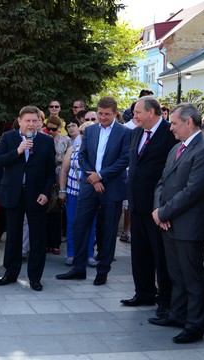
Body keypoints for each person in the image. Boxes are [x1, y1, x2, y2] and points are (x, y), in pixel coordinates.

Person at [149, 103, 204, 344]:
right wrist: (159, 211)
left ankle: (195, 326)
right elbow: (162, 181)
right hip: (169, 222)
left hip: (189, 226)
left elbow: (193, 191)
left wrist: (164, 213)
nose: (171, 128)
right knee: (176, 274)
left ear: (189, 122)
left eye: (174, 123)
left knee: (193, 278)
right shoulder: (176, 148)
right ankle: (177, 315)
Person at [56, 96, 130, 286]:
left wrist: (101, 176)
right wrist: (93, 178)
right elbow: (82, 157)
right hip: (89, 186)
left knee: (107, 230)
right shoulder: (89, 131)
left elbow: (124, 160)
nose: (102, 117)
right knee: (80, 226)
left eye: (106, 114)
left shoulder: (124, 133)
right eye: (100, 113)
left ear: (115, 113)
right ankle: (78, 268)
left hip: (111, 187)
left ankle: (102, 271)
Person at [120, 96, 177, 319]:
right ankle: (144, 292)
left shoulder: (169, 133)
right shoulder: (135, 133)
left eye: (137, 112)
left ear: (152, 112)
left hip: (157, 207)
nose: (134, 116)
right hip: (136, 204)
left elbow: (171, 172)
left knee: (160, 256)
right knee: (139, 253)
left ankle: (165, 300)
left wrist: (163, 206)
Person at [0, 105, 56, 291]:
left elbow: (50, 172)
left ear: (39, 121)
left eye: (34, 121)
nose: (31, 124)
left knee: (38, 237)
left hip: (36, 195)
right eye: (27, 120)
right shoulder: (8, 137)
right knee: (13, 235)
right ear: (19, 121)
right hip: (13, 193)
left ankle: (35, 277)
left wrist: (46, 193)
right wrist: (18, 151)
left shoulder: (46, 141)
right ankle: (10, 273)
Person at [59, 121, 96, 267]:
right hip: (73, 192)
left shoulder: (97, 150)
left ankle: (89, 254)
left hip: (90, 193)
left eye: (87, 132)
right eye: (82, 132)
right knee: (72, 223)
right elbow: (64, 171)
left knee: (91, 224)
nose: (84, 135)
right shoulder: (72, 149)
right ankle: (71, 253)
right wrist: (62, 190)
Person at [44, 115, 70, 255]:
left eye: (54, 129)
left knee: (57, 208)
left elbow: (69, 157)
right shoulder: (43, 138)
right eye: (48, 128)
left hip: (60, 173)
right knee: (45, 208)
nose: (51, 131)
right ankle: (46, 242)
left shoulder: (65, 140)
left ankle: (55, 242)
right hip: (47, 173)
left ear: (59, 128)